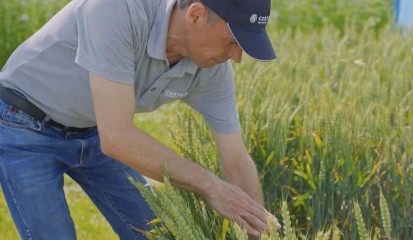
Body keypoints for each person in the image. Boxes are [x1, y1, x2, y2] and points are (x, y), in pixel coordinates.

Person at [0, 0, 280, 239]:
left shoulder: (211, 68)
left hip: (93, 129)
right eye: (232, 41)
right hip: (24, 125)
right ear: (195, 15)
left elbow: (236, 159)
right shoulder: (116, 10)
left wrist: (255, 227)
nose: (237, 57)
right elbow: (117, 138)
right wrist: (211, 185)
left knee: (157, 233)